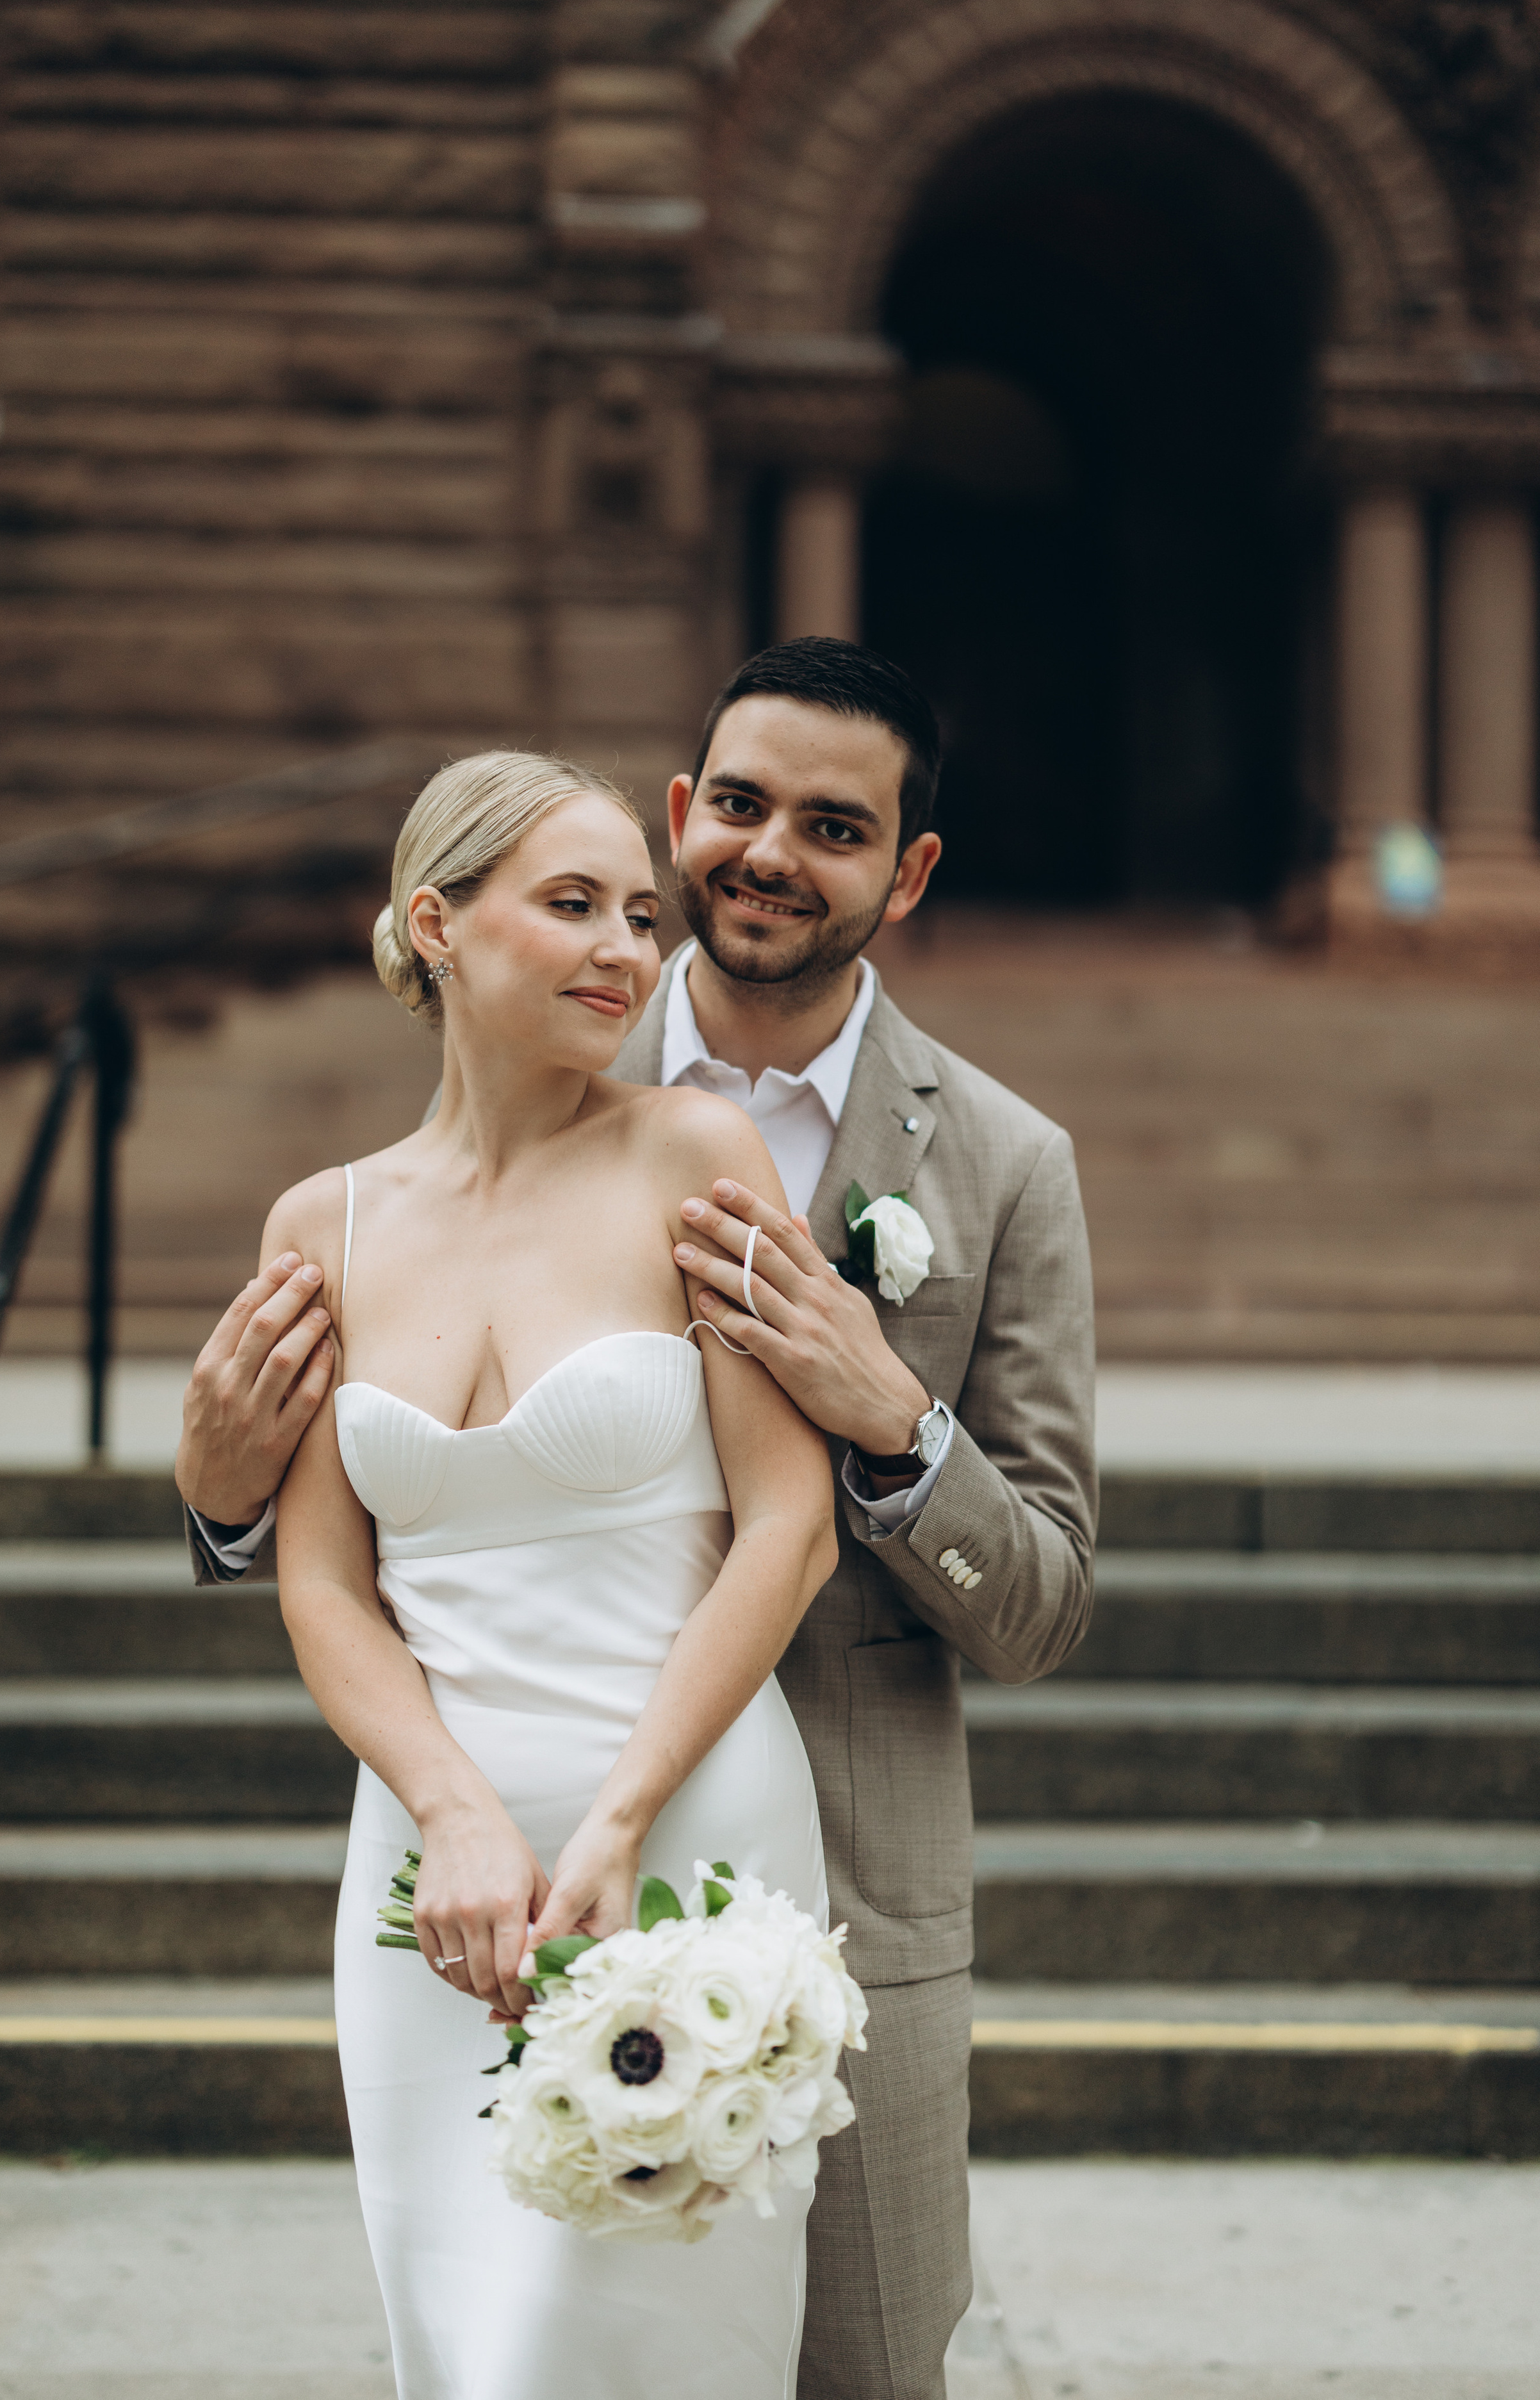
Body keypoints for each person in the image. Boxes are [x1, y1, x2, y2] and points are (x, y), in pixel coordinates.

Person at [180, 639, 1098, 2400]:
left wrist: (893, 1418)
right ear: (687, 816)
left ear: (904, 875)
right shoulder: (362, 1200)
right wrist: (217, 1491)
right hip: (453, 1848)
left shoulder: (998, 1164)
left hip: (796, 1855)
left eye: (834, 827)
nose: (761, 856)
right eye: (737, 808)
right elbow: (321, 1551)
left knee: (852, 2368)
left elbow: (1041, 1599)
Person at [256, 748, 839, 2397]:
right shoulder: (325, 1227)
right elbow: (322, 1585)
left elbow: (782, 1524)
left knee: (640, 2339)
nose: (625, 949)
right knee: (467, 2340)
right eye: (571, 904)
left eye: (640, 916)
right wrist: (448, 1812)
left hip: (686, 1819)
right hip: (431, 1863)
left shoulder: (691, 1153)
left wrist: (621, 1817)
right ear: (434, 924)